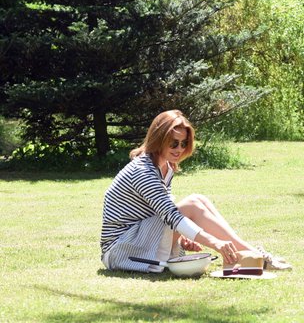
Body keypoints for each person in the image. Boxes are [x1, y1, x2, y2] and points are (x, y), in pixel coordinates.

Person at [100, 109, 291, 273]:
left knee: (199, 200)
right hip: (121, 251)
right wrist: (214, 243)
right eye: (173, 143)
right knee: (192, 204)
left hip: (140, 239)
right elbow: (171, 215)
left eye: (183, 143)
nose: (179, 149)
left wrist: (181, 239)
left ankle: (250, 255)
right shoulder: (142, 171)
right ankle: (254, 256)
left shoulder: (165, 166)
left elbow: (163, 213)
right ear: (159, 139)